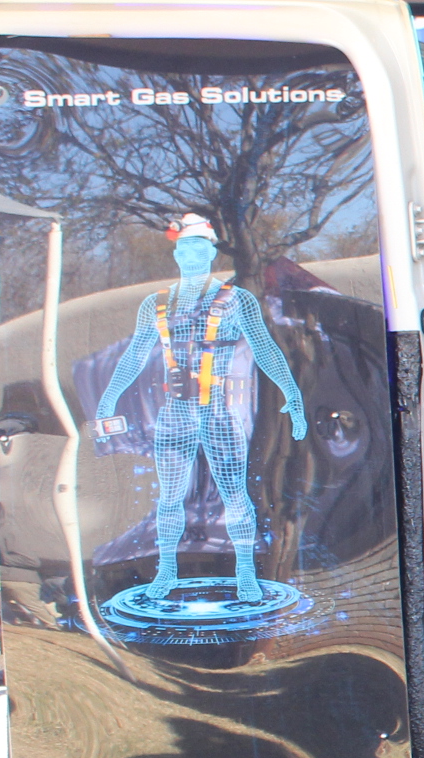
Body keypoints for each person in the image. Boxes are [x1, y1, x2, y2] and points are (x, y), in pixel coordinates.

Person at [92, 214, 307, 610]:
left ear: (210, 253)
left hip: (219, 411)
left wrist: (292, 393)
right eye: (185, 248)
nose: (191, 255)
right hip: (176, 413)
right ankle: (167, 570)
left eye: (199, 248)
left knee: (235, 495)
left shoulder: (237, 300)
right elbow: (134, 356)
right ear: (176, 254)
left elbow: (265, 348)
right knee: (169, 498)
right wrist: (108, 400)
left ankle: (246, 572)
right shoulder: (156, 304)